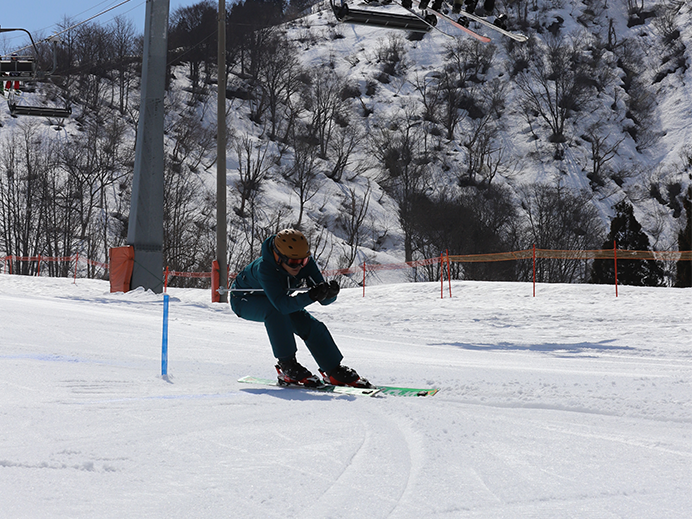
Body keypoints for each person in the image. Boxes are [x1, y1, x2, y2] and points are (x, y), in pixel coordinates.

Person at [230, 229, 372, 388]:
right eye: (292, 262)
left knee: (308, 323)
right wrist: (311, 296)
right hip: (245, 300)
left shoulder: (305, 263)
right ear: (278, 257)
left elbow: (323, 300)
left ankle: (333, 370)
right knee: (276, 312)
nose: (299, 266)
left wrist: (329, 294)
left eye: (302, 261)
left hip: (276, 301)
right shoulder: (264, 268)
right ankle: (288, 366)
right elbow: (282, 305)